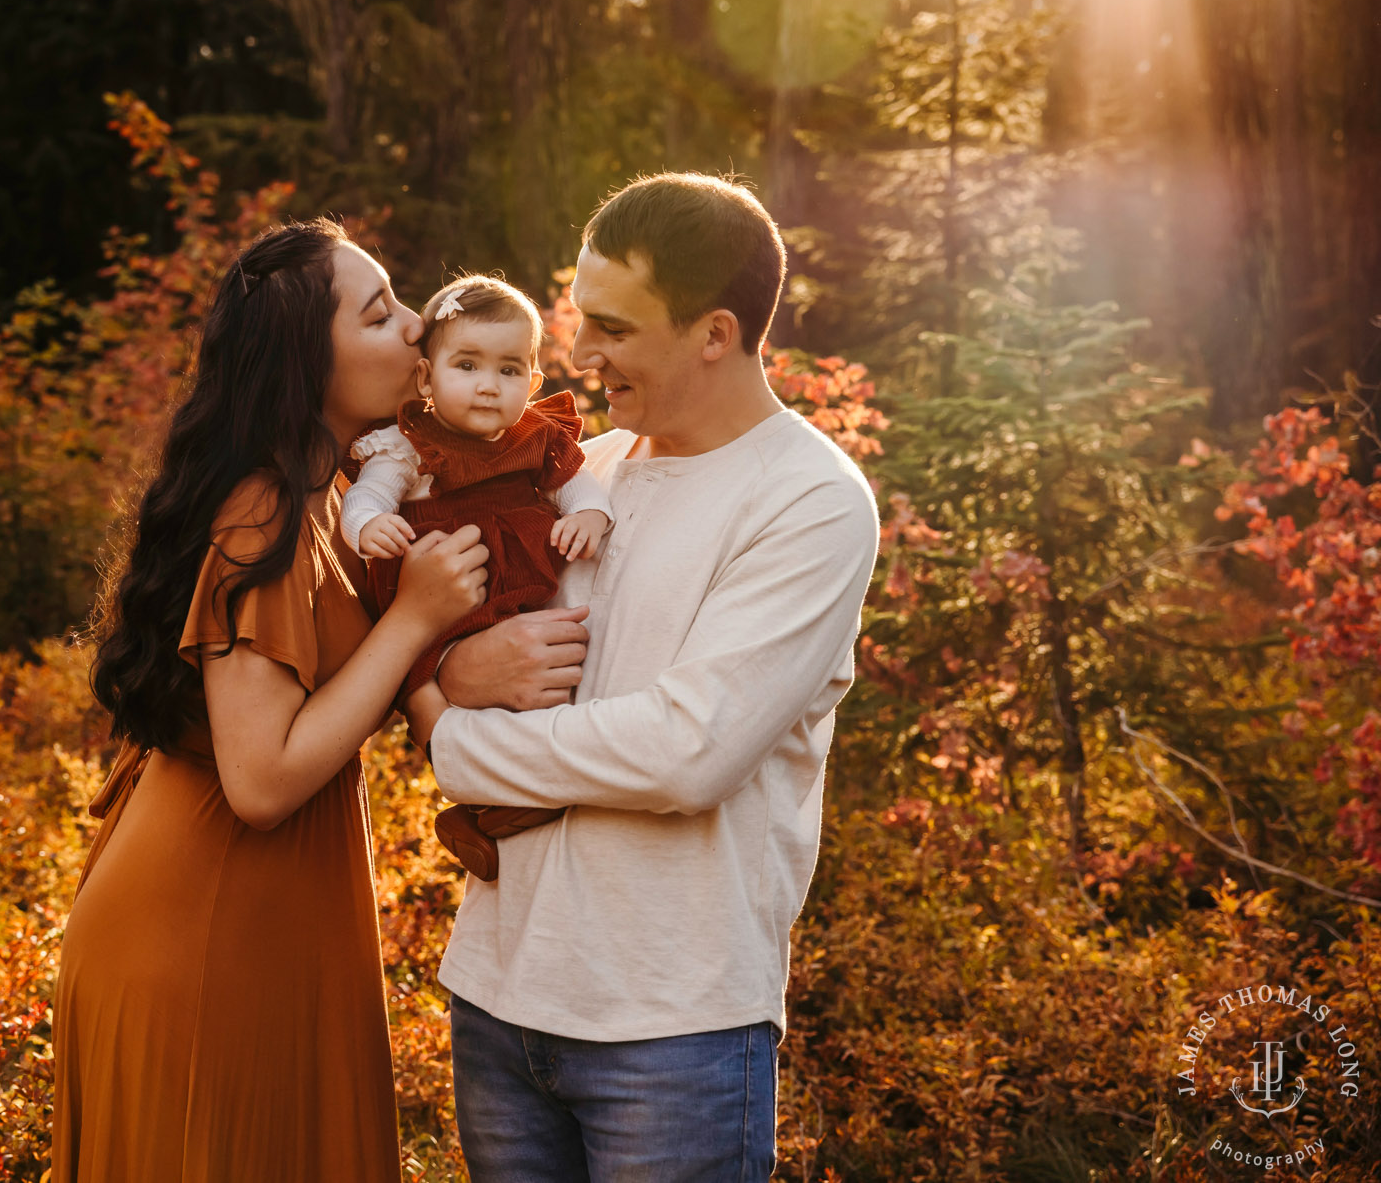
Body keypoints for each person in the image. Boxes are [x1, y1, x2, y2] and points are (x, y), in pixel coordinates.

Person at [405, 173, 883, 1182]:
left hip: (672, 1028)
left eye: (612, 328)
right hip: (496, 995)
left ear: (713, 332)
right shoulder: (578, 473)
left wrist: (450, 733)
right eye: (580, 319)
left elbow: (683, 752)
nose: (577, 357)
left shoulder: (809, 501)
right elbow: (448, 623)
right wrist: (453, 662)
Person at [53, 217, 490, 1183]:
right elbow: (259, 780)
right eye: (380, 315)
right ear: (306, 363)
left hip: (249, 925)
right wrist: (412, 622)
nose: (417, 326)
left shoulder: (337, 497)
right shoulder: (266, 510)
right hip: (197, 947)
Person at [339, 274, 612, 882]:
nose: (489, 385)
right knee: (445, 708)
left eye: (510, 370)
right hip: (444, 614)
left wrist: (591, 514)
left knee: (537, 706)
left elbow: (577, 485)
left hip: (516, 605)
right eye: (467, 365)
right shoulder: (407, 449)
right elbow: (365, 498)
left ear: (534, 382)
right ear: (425, 378)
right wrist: (368, 527)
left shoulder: (535, 439)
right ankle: (479, 803)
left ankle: (488, 816)